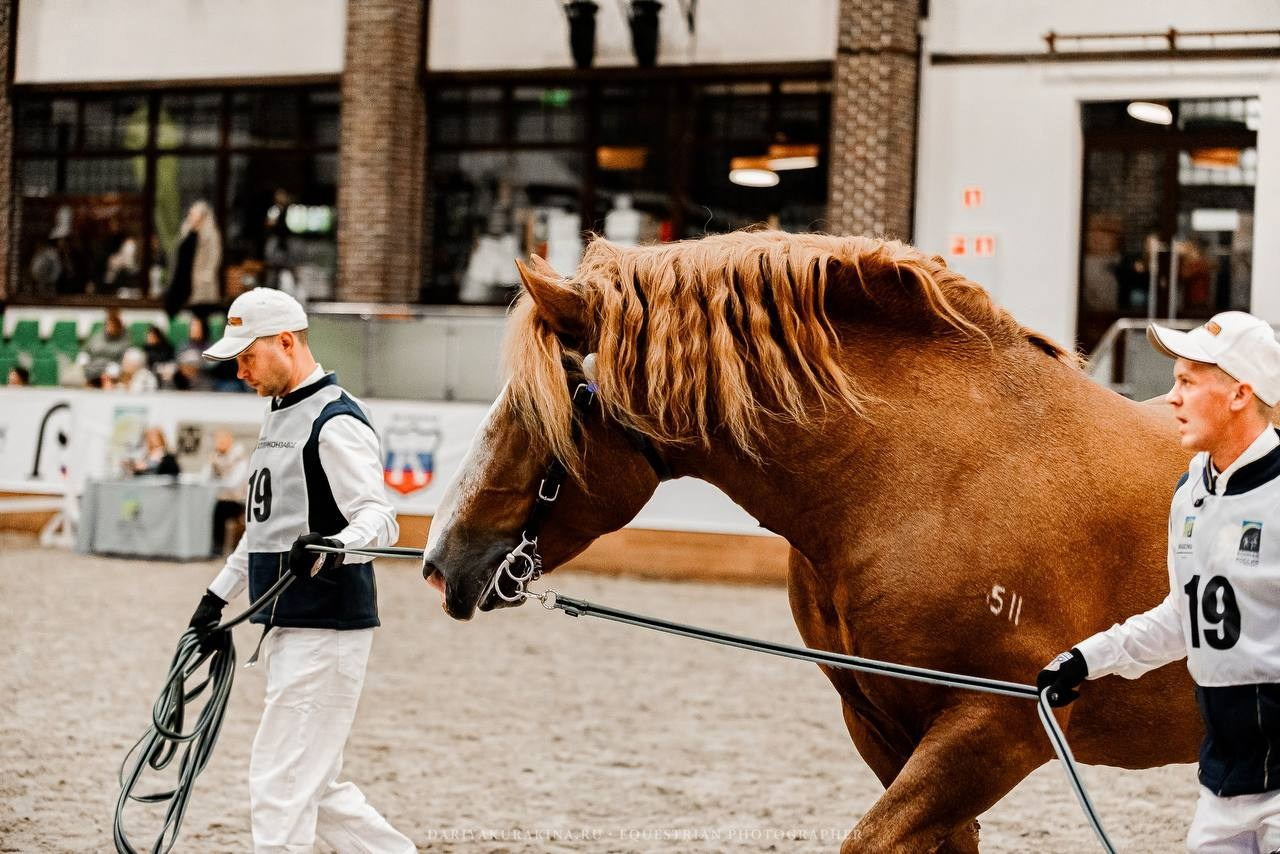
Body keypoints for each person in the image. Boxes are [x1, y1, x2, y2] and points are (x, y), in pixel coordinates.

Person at [1038, 310, 1280, 853]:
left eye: (1188, 382)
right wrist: (1085, 659)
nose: (1171, 397)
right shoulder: (1192, 489)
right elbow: (1180, 615)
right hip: (1223, 783)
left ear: (1239, 394)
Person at [185, 287, 414, 853]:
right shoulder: (281, 413)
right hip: (293, 626)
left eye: (247, 356)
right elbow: (265, 530)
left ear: (286, 341)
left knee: (280, 783)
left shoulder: (334, 420)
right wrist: (217, 598)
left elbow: (381, 520)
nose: (239, 370)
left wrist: (333, 544)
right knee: (313, 787)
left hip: (326, 626)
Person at [165, 201, 223, 321]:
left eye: (193, 214)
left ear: (201, 216)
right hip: (181, 281)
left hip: (200, 284)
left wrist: (205, 277)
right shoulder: (186, 231)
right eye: (190, 214)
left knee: (200, 318)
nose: (190, 216)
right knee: (172, 310)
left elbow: (214, 258)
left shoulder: (211, 234)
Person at [205, 429, 249, 556]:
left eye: (222, 440)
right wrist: (213, 464)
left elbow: (234, 484)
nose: (219, 444)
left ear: (230, 441)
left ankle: (217, 548)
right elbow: (206, 477)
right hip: (221, 498)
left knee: (220, 508)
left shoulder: (239, 460)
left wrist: (218, 475)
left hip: (237, 501)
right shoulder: (216, 458)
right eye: (217, 441)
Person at [83, 307, 130, 382]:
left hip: (111, 368)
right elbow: (88, 349)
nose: (110, 327)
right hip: (94, 366)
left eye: (113, 325)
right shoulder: (98, 335)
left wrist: (118, 366)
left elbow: (124, 355)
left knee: (112, 372)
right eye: (109, 324)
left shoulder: (124, 337)